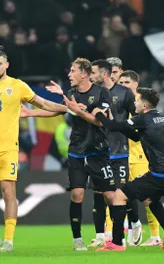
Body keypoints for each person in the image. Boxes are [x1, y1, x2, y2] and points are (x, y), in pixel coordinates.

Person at [0, 45, 68, 252]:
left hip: (8, 149)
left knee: (9, 193)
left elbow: (42, 103)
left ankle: (8, 240)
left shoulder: (18, 86)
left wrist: (66, 108)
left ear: (7, 65)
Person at [22, 58, 115, 251]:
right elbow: (59, 110)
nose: (69, 74)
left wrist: (78, 111)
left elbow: (99, 122)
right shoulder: (71, 94)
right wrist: (31, 114)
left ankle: (113, 237)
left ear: (84, 74)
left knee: (109, 195)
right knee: (77, 193)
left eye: (73, 71)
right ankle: (77, 239)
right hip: (77, 151)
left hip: (98, 151)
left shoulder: (101, 93)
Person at [85, 87, 164, 251]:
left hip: (161, 174)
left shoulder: (144, 119)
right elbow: (136, 136)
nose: (134, 103)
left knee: (119, 196)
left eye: (137, 100)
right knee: (151, 199)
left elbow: (114, 127)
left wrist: (99, 114)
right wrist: (117, 123)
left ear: (144, 105)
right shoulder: (163, 117)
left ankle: (116, 243)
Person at [88, 60, 142, 248]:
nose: (91, 76)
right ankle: (107, 236)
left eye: (93, 72)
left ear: (104, 74)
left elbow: (136, 117)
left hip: (119, 151)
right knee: (102, 195)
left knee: (120, 193)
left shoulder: (124, 93)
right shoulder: (92, 93)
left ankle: (133, 224)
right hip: (98, 152)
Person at [119, 70, 161, 246]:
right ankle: (114, 234)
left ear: (136, 84)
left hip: (140, 156)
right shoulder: (117, 101)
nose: (122, 86)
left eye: (126, 83)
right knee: (117, 196)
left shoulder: (141, 104)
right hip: (121, 156)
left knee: (147, 198)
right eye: (121, 83)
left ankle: (155, 236)